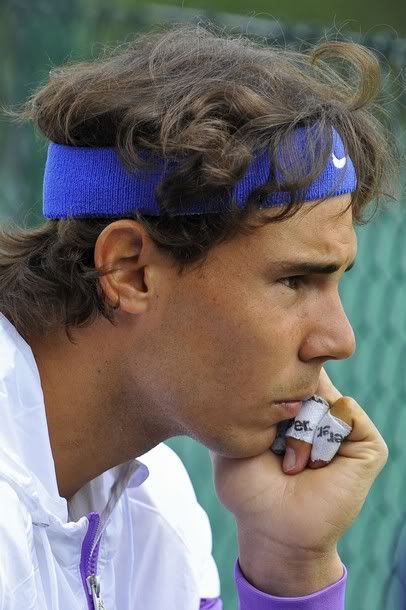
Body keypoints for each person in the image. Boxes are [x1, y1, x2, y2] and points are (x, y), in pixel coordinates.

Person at [0, 23, 397, 610]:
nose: (338, 340)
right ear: (130, 270)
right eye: (294, 280)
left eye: (336, 281)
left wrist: (292, 566)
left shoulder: (158, 505)